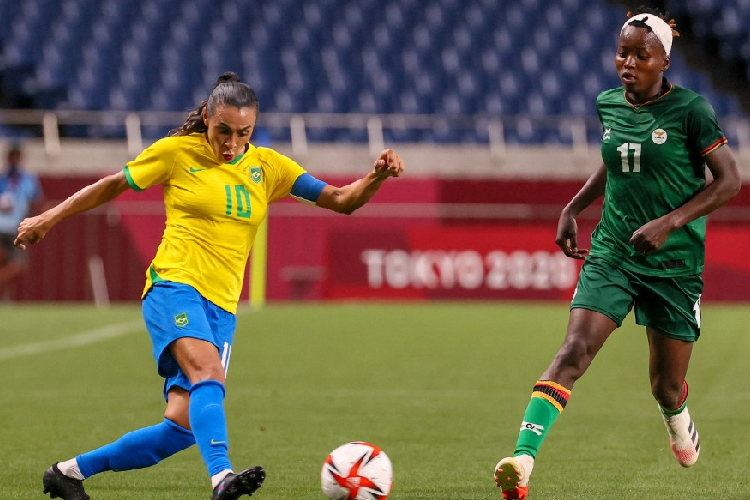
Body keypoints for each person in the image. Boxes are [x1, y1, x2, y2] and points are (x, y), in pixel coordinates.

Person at [15, 71, 404, 500]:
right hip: (174, 286)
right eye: (222, 131)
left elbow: (341, 200)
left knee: (179, 430)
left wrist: (377, 176)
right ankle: (222, 479)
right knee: (208, 373)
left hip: (222, 307)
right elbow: (112, 185)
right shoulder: (177, 152)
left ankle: (68, 473)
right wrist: (47, 218)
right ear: (206, 118)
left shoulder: (269, 167)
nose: (231, 143)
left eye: (243, 133)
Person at [492, 9, 741, 500]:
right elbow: (616, 160)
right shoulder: (609, 103)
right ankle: (521, 462)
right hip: (614, 252)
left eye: (639, 54)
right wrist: (574, 206)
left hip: (673, 265)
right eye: (622, 52)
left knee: (665, 387)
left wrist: (670, 222)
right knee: (572, 352)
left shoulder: (692, 111)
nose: (627, 62)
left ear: (664, 61)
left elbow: (730, 181)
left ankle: (676, 417)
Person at [0, 144, 44, 299]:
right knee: (16, 265)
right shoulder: (23, 180)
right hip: (12, 227)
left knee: (9, 265)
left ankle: (4, 298)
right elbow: (37, 201)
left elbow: (35, 201)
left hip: (14, 227)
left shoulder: (24, 179)